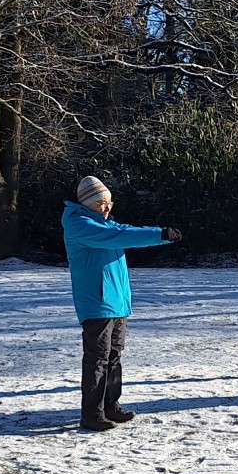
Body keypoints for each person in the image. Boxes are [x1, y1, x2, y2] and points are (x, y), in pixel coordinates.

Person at [62, 175, 180, 431]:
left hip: (116, 301)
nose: (106, 208)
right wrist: (159, 234)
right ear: (87, 204)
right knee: (97, 358)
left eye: (109, 203)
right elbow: (120, 235)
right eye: (100, 203)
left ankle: (110, 405)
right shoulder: (80, 225)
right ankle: (92, 414)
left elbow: (122, 231)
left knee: (114, 355)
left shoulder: (104, 223)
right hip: (97, 303)